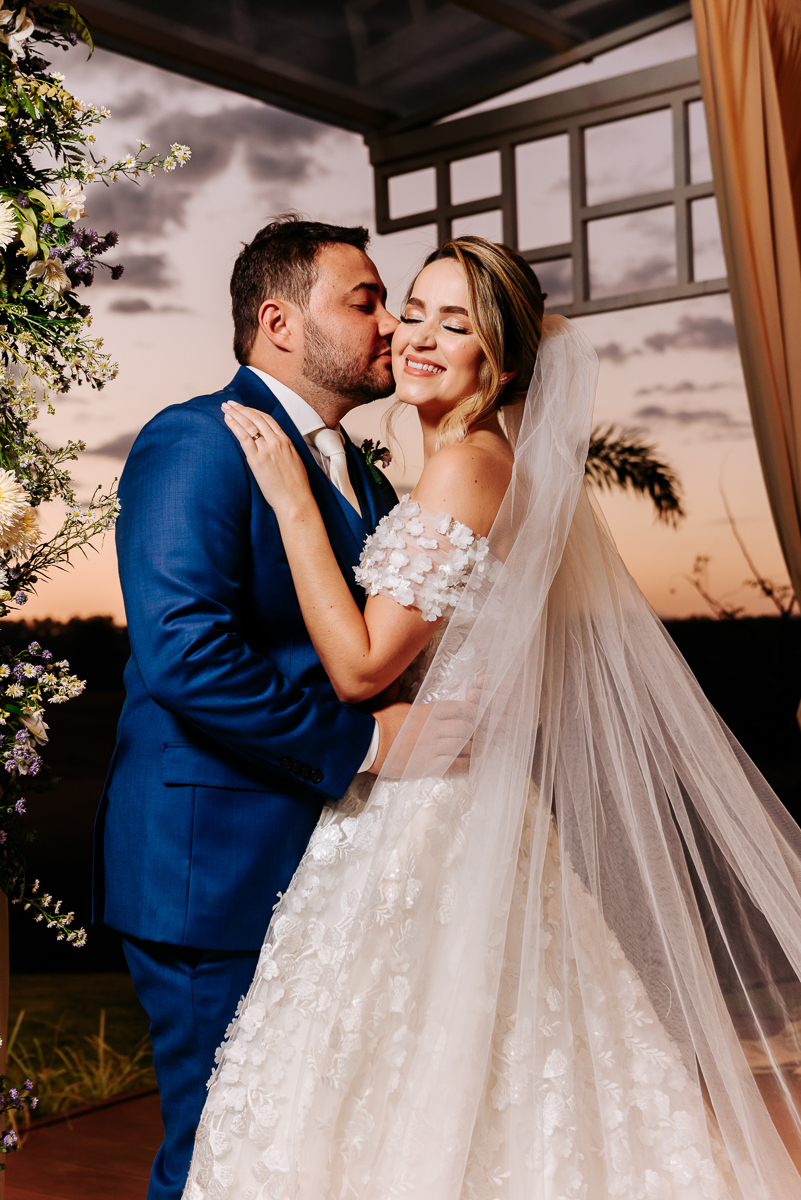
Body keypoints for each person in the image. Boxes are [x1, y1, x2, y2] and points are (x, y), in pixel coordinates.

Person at [185, 234, 801, 1200]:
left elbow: (358, 666)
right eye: (412, 313)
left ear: (503, 363)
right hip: (432, 796)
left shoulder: (470, 466)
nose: (416, 336)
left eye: (455, 323)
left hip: (432, 809)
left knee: (399, 1078)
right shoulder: (447, 466)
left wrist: (294, 503)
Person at [94, 216, 471, 1200]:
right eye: (366, 301)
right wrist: (366, 745)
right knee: (220, 1152)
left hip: (326, 871)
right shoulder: (197, 441)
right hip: (210, 868)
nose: (392, 326)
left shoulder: (364, 475)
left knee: (306, 1152)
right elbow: (185, 657)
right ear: (279, 323)